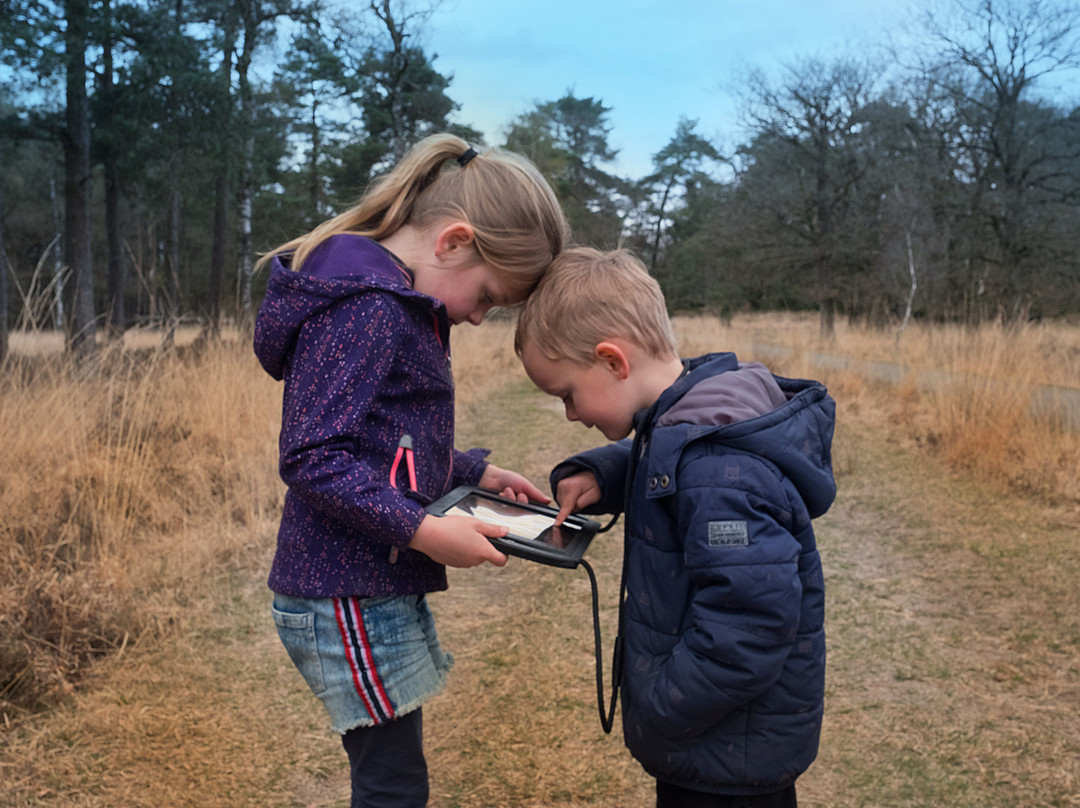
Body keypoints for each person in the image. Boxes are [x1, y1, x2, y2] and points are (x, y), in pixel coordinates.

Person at [253, 134, 568, 808]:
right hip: (343, 590)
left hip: (366, 584)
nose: (478, 317)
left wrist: (473, 474)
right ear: (454, 242)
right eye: (487, 297)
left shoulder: (390, 302)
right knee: (392, 785)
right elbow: (313, 456)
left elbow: (381, 444)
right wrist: (426, 532)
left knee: (395, 776)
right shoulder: (367, 306)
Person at [513, 247, 836, 808]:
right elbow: (665, 454)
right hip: (712, 739)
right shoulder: (690, 413)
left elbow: (751, 623)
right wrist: (604, 473)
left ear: (613, 361)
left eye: (568, 394)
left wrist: (663, 705)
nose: (571, 414)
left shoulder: (718, 468)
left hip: (725, 754)